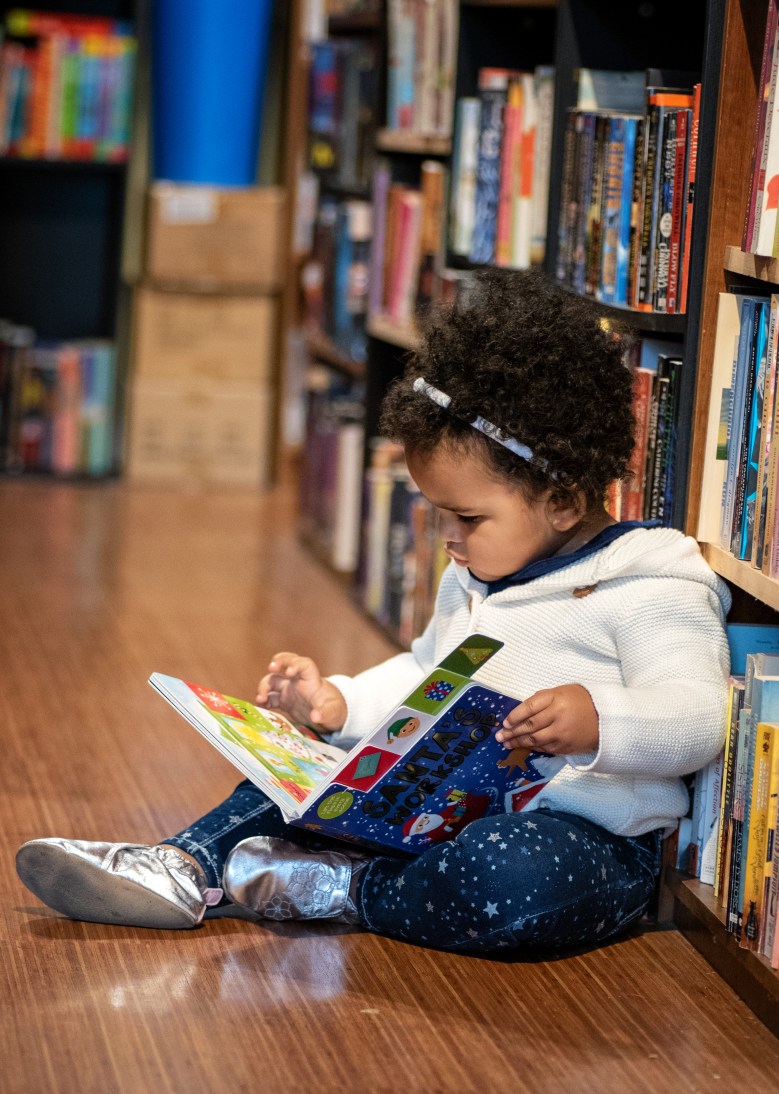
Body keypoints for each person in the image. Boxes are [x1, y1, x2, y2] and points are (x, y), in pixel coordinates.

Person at [16, 268, 731, 953]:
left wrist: (601, 721)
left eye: (467, 517)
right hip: (435, 813)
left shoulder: (649, 584)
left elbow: (698, 716)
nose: (448, 537)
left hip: (578, 837)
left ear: (564, 500)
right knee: (309, 777)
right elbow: (428, 675)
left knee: (512, 880)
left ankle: (347, 890)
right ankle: (179, 866)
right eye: (438, 514)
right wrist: (339, 703)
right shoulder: (478, 575)